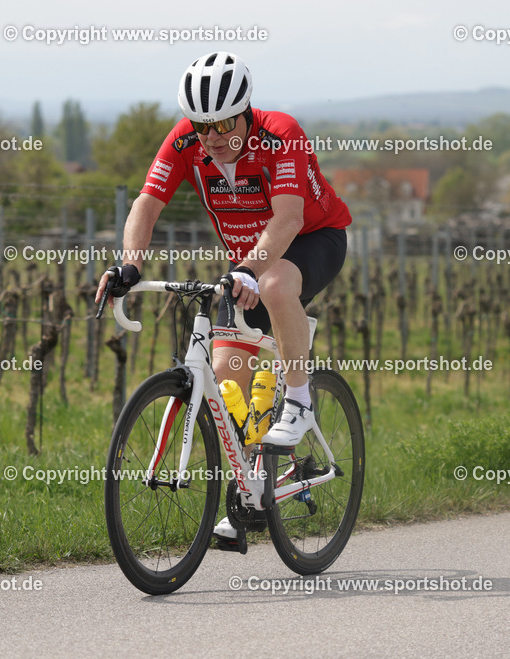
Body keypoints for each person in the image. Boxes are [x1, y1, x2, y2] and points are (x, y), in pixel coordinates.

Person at [95, 51, 352, 547]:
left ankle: (299, 401)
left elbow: (289, 219)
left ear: (245, 111)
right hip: (248, 260)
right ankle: (250, 491)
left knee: (277, 285)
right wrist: (130, 265)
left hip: (312, 238)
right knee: (229, 381)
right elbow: (146, 204)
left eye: (221, 124)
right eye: (201, 124)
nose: (210, 136)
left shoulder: (280, 133)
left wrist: (250, 269)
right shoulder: (186, 139)